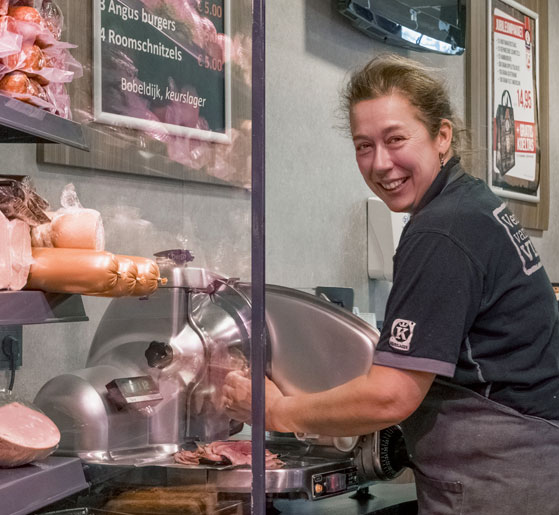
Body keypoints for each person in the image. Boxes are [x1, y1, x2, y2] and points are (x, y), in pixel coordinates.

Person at [223, 54, 559, 514]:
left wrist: (275, 410)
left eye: (396, 139)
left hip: (500, 477)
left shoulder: (442, 230)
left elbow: (391, 395)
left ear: (442, 136)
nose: (381, 163)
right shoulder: (472, 202)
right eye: (364, 145)